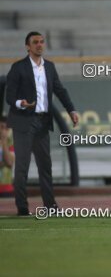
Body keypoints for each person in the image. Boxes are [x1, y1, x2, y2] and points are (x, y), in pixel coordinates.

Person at [6, 31, 79, 216]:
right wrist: (20, 103)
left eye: (42, 41)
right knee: (22, 166)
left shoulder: (50, 67)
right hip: (23, 121)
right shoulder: (18, 67)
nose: (39, 45)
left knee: (45, 165)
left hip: (42, 121)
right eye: (35, 42)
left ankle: (50, 206)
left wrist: (71, 110)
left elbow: (60, 90)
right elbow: (9, 96)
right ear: (27, 47)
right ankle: (22, 207)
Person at [0, 116, 15, 192]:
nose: (3, 131)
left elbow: (9, 162)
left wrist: (4, 140)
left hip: (7, 189)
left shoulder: (11, 145)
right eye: (1, 127)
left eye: (6, 128)